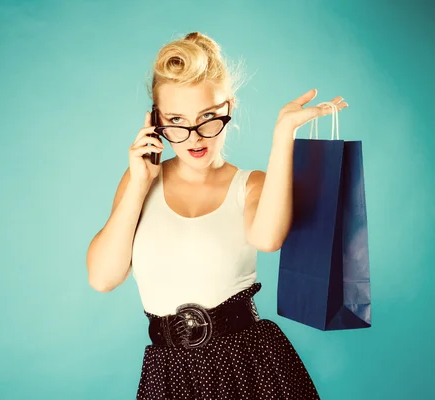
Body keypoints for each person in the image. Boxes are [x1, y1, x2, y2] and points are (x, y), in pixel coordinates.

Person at [86, 31, 348, 399]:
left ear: (229, 108)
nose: (195, 137)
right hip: (169, 372)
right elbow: (102, 277)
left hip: (249, 365)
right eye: (176, 119)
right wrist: (139, 184)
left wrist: (283, 135)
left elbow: (267, 238)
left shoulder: (251, 185)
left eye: (208, 117)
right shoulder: (139, 181)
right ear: (154, 119)